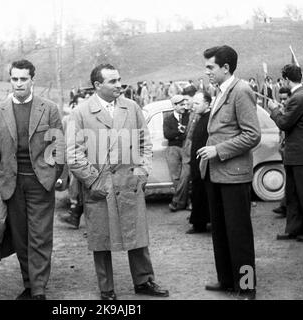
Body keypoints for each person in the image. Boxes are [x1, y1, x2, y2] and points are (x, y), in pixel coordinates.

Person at [67, 63, 169, 300]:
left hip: (129, 182)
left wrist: (142, 172)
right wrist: (94, 182)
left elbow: (145, 142)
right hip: (100, 186)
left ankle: (144, 281)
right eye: (112, 81)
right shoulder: (81, 112)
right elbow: (73, 154)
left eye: (119, 80)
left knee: (138, 236)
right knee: (102, 239)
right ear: (97, 85)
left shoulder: (131, 107)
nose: (119, 85)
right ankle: (107, 289)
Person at [0, 59, 64, 300]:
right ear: (10, 80)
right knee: (20, 237)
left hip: (40, 183)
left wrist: (52, 175)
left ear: (32, 81)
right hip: (11, 184)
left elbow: (57, 147)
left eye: (23, 79)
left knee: (40, 235)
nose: (18, 84)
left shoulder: (48, 109)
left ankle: (38, 290)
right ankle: (29, 284)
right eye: (14, 79)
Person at [197, 45, 261, 300]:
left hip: (233, 175)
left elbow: (252, 135)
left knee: (239, 234)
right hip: (216, 174)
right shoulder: (221, 91)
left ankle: (247, 286)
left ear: (226, 67)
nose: (207, 72)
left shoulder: (241, 91)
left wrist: (218, 150)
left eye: (210, 67)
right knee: (221, 231)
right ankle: (227, 280)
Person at [268, 64, 303, 242]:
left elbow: (283, 123)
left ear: (285, 79)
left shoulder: (297, 97)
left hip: (299, 155)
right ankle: (294, 229)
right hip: (300, 153)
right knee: (293, 193)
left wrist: (274, 110)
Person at [187, 91, 212, 234]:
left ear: (207, 104)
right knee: (198, 193)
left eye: (197, 103)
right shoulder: (200, 117)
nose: (193, 106)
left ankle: (200, 223)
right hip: (197, 164)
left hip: (203, 164)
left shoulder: (209, 119)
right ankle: (199, 222)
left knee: (202, 194)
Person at [163, 94, 190, 212]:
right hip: (172, 149)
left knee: (186, 175)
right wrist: (179, 131)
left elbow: (189, 133)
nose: (184, 107)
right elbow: (167, 135)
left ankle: (176, 201)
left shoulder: (189, 116)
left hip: (185, 147)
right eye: (181, 105)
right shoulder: (168, 119)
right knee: (176, 177)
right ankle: (185, 202)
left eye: (185, 104)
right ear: (174, 106)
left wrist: (179, 133)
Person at [271, 87, 291, 217]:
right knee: (289, 180)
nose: (283, 101)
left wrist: (276, 110)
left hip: (293, 151)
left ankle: (285, 206)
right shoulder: (284, 109)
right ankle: (285, 205)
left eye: (285, 99)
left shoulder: (292, 110)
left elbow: (284, 124)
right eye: (281, 99)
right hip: (285, 150)